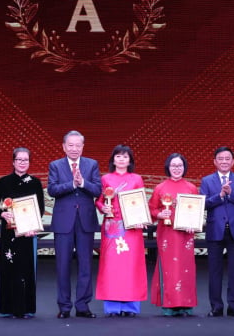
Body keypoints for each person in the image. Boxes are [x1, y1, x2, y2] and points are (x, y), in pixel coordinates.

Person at [47, 130, 102, 319]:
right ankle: (64, 306)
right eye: (70, 145)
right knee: (63, 265)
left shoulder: (91, 164)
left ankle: (82, 306)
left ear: (83, 147)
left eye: (78, 145)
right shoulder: (55, 165)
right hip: (64, 223)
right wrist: (72, 184)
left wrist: (83, 182)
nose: (74, 149)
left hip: (85, 222)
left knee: (85, 265)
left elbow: (97, 190)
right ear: (63, 147)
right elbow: (52, 190)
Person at [0, 147, 45, 319]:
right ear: (13, 161)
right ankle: (9, 308)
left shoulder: (35, 183)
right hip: (9, 233)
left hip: (28, 233)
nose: (22, 163)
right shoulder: (3, 182)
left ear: (29, 162)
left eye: (25, 160)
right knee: (10, 267)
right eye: (19, 159)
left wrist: (32, 227)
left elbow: (40, 209)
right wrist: (2, 214)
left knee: (26, 268)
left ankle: (26, 308)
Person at [94, 144, 148, 317]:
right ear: (113, 159)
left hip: (131, 227)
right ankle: (112, 306)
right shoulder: (106, 179)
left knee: (132, 266)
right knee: (111, 267)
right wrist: (104, 209)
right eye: (118, 156)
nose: (122, 159)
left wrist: (141, 219)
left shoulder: (136, 179)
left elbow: (140, 202)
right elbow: (99, 201)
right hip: (112, 226)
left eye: (125, 156)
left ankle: (131, 306)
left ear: (130, 160)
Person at [199, 146, 234, 317]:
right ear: (215, 161)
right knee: (214, 271)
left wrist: (231, 193)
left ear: (233, 161)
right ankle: (216, 306)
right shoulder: (207, 181)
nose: (224, 161)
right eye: (220, 158)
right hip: (215, 230)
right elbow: (204, 204)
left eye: (227, 158)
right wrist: (220, 195)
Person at [149, 153, 199, 317]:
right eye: (173, 165)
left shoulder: (191, 188)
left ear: (184, 167)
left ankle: (186, 304)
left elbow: (196, 211)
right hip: (167, 234)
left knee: (186, 268)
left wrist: (193, 224)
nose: (177, 168)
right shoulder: (160, 188)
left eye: (179, 165)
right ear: (168, 168)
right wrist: (159, 215)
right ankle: (169, 305)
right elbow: (151, 210)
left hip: (185, 235)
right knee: (169, 269)